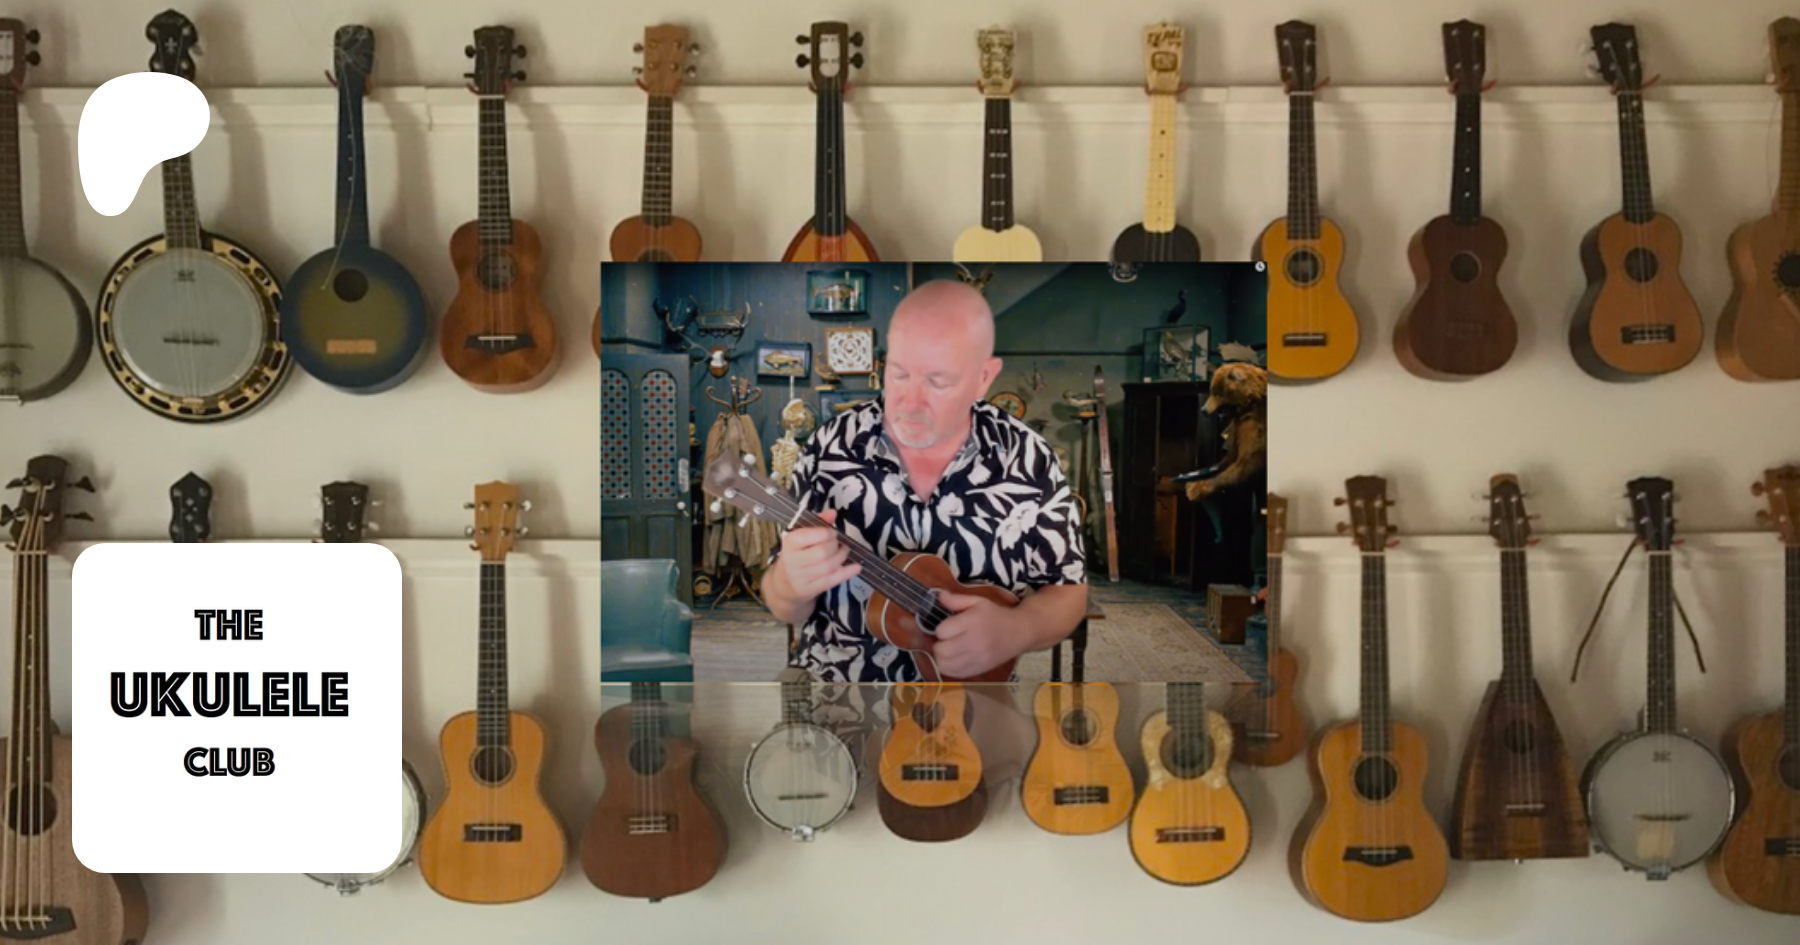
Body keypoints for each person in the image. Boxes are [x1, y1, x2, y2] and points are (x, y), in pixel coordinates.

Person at [761, 279, 1089, 683]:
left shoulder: (1027, 455)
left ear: (984, 377)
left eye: (939, 381)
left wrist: (1018, 629)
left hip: (974, 704)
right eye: (899, 374)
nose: (911, 402)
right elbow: (782, 600)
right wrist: (789, 586)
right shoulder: (830, 445)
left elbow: (1067, 588)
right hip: (841, 699)